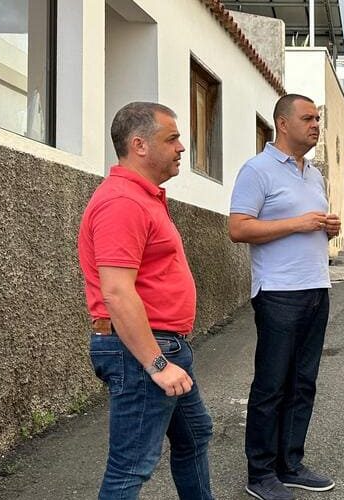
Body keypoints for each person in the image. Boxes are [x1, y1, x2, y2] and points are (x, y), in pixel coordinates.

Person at [78, 101, 214, 499]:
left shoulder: (143, 197)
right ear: (139, 145)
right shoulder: (123, 202)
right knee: (130, 467)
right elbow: (117, 292)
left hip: (163, 345)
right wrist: (156, 363)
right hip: (143, 350)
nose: (181, 148)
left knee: (195, 435)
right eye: (171, 139)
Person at [229, 94, 341, 500]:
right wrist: (299, 223)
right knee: (272, 385)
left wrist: (326, 228)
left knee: (303, 383)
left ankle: (290, 465)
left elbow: (310, 226)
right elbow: (238, 228)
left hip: (316, 288)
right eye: (308, 118)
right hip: (278, 293)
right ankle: (260, 474)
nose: (315, 124)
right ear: (282, 123)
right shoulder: (257, 170)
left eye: (318, 118)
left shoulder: (313, 174)